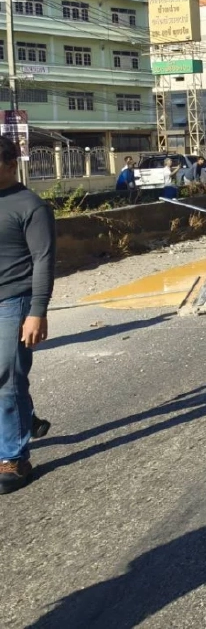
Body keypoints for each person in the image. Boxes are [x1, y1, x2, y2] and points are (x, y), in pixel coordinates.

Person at [0, 135, 55, 494]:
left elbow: (44, 259)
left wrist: (37, 310)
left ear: (8, 164)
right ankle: (25, 417)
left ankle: (14, 459)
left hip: (15, 302)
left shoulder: (30, 206)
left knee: (7, 378)